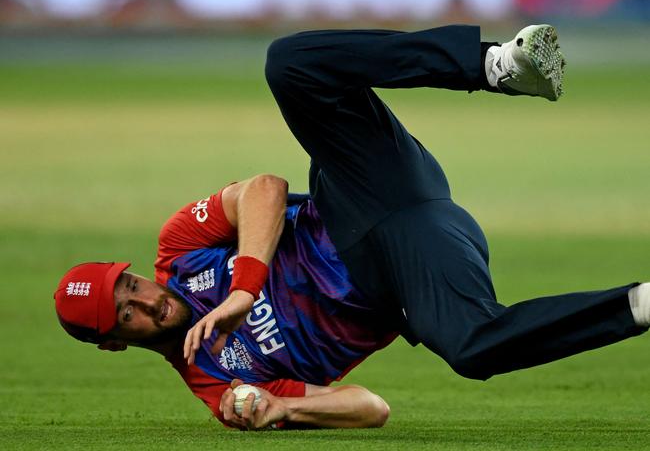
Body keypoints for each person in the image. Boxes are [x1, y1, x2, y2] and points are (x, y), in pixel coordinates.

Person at [54, 24, 649, 431]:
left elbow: (265, 188)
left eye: (130, 283)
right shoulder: (216, 384)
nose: (147, 298)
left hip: (362, 192)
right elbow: (372, 408)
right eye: (125, 310)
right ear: (111, 343)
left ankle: (497, 64)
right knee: (472, 348)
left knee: (291, 62)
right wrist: (279, 411)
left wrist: (243, 288)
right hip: (405, 274)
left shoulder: (178, 252)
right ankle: (640, 305)